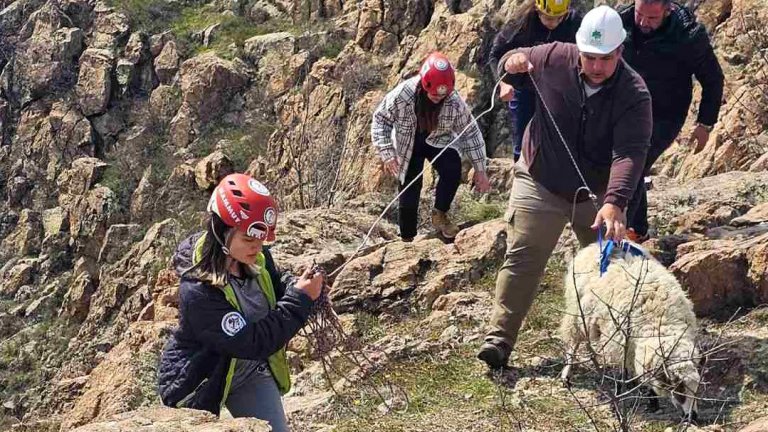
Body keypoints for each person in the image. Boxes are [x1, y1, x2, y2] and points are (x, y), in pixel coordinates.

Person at [476, 6, 653, 370]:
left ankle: (623, 352)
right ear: (579, 48)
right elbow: (511, 61)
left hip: (596, 194)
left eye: (606, 58)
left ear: (620, 51)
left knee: (613, 268)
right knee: (524, 256)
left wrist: (615, 202)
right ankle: (499, 340)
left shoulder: (634, 94)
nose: (596, 66)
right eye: (590, 57)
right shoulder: (554, 57)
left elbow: (629, 153)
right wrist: (512, 62)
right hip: (539, 178)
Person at [157, 173, 323, 431]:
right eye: (248, 239)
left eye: (261, 239)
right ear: (221, 231)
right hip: (201, 378)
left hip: (248, 372)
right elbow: (251, 341)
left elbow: (275, 283)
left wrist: (298, 286)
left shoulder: (255, 257)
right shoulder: (198, 291)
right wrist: (300, 300)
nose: (257, 247)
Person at [620, 0, 724, 243]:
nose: (643, 23)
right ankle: (638, 230)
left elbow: (713, 78)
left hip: (666, 114)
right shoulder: (620, 22)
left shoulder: (687, 36)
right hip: (627, 108)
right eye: (639, 15)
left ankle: (623, 231)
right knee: (627, 164)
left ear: (668, 11)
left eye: (652, 18)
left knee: (634, 164)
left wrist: (705, 124)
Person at [371, 51, 491, 242]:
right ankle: (407, 237)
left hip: (438, 139)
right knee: (410, 185)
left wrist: (480, 169)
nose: (438, 98)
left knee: (452, 167)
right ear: (424, 84)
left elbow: (470, 133)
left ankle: (440, 214)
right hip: (407, 141)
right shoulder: (404, 93)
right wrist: (387, 152)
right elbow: (381, 119)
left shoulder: (453, 102)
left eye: (442, 95)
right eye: (434, 94)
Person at [487, 0, 582, 160]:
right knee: (523, 140)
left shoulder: (574, 22)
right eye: (549, 18)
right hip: (524, 87)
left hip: (556, 89)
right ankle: (521, 167)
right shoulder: (521, 22)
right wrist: (502, 84)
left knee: (560, 141)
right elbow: (495, 54)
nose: (554, 23)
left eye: (560, 18)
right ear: (538, 9)